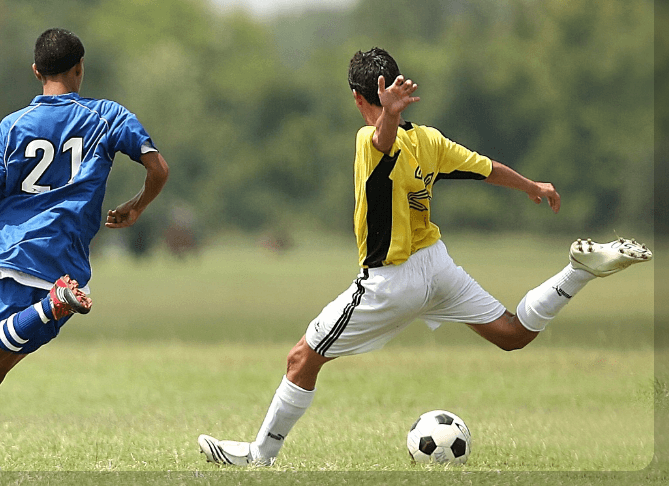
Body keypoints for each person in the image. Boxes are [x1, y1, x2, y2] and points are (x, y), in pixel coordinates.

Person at [197, 47, 652, 466]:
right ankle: (576, 272)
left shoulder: (367, 139)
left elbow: (381, 143)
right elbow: (484, 167)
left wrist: (387, 117)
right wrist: (532, 185)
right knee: (512, 333)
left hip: (391, 281)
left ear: (358, 98)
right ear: (394, 87)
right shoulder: (429, 139)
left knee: (302, 359)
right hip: (437, 265)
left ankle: (261, 455)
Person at [0, 28, 169, 466]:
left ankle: (49, 306)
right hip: (64, 266)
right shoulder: (108, 116)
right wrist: (136, 207)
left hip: (12, 258)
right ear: (80, 69)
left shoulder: (11, 128)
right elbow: (158, 169)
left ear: (36, 71)